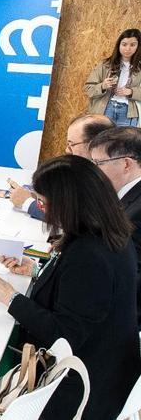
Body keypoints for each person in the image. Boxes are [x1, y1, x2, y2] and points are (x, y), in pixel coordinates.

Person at [0, 155, 140, 420]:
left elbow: (64, 335)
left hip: (82, 387)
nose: (42, 209)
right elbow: (80, 296)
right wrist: (36, 271)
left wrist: (10, 297)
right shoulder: (108, 233)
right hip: (108, 366)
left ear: (68, 203)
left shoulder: (90, 254)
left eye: (43, 202)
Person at [9, 114, 114, 220]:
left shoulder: (108, 176)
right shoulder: (93, 169)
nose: (67, 150)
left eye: (72, 144)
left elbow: (77, 219)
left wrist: (27, 203)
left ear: (94, 144)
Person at [88, 126, 141, 326]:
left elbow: (128, 278)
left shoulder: (136, 213)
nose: (94, 171)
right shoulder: (126, 197)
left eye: (98, 163)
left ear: (126, 164)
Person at [85, 28, 141, 127]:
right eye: (124, 44)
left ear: (138, 46)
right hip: (105, 109)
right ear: (119, 45)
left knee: (124, 138)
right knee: (101, 137)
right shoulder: (105, 65)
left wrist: (131, 92)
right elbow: (88, 89)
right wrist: (103, 86)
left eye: (132, 45)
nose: (127, 48)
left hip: (128, 113)